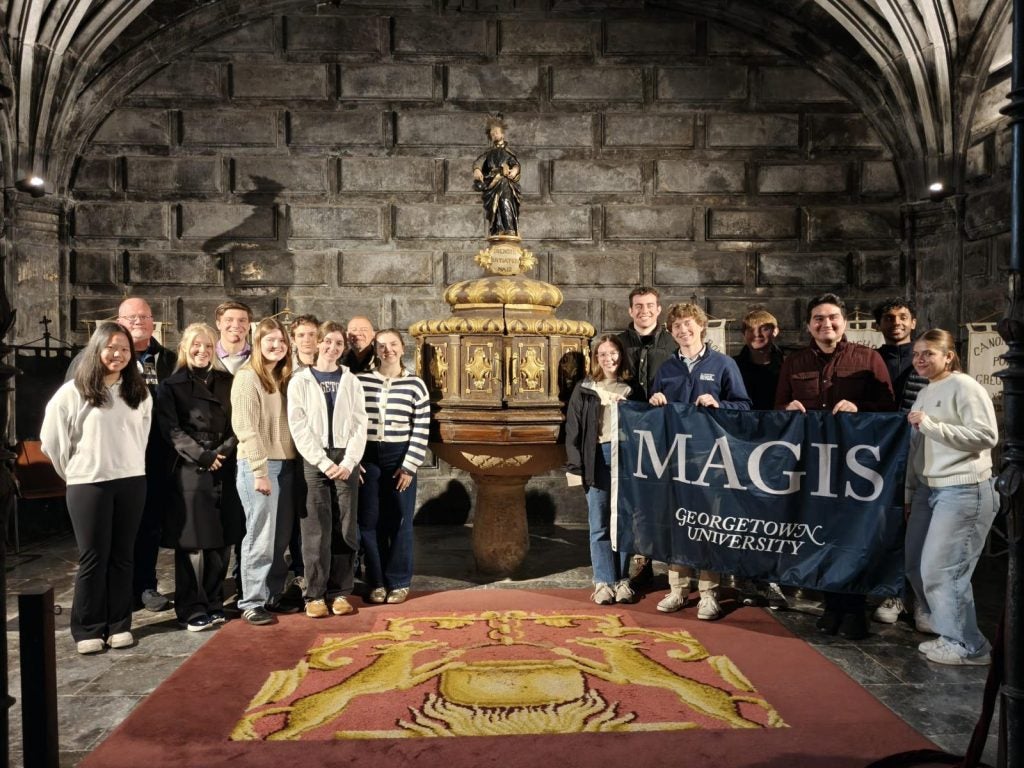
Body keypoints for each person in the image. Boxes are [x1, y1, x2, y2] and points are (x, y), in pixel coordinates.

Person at [775, 292, 895, 640]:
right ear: (809, 325)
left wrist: (859, 408)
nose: (826, 324)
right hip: (813, 462)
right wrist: (787, 410)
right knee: (821, 534)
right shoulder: (794, 362)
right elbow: (778, 406)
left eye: (832, 318)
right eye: (818, 318)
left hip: (856, 465)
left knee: (853, 535)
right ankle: (832, 606)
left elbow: (887, 408)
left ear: (843, 322)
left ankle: (855, 609)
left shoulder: (868, 358)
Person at [41, 322, 152, 653]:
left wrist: (128, 463)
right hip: (89, 484)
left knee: (122, 556)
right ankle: (88, 628)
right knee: (93, 557)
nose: (117, 354)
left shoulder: (139, 392)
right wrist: (75, 472)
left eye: (124, 349)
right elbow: (52, 441)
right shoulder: (73, 392)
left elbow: (141, 436)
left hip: (131, 480)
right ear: (97, 349)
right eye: (111, 347)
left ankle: (119, 625)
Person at [64, 298, 176, 614]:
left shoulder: (169, 359)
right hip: (103, 465)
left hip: (154, 460)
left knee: (148, 526)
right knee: (104, 537)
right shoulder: (87, 362)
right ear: (119, 321)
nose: (138, 321)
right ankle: (106, 598)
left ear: (154, 322)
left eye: (144, 316)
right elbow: (67, 420)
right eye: (131, 317)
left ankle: (144, 586)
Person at [649, 303, 752, 620]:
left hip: (713, 459)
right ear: (671, 332)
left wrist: (717, 403)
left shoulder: (723, 364)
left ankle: (709, 593)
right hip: (675, 459)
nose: (683, 330)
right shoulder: (666, 369)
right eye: (676, 326)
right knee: (677, 524)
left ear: (702, 326)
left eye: (688, 324)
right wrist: (654, 403)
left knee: (708, 526)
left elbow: (745, 407)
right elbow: (653, 415)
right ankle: (678, 589)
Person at [905, 329, 998, 665]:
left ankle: (970, 646)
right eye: (916, 354)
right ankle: (948, 631)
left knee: (943, 570)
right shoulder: (926, 391)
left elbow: (987, 436)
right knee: (916, 564)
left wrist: (931, 426)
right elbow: (919, 448)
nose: (920, 359)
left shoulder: (964, 386)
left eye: (928, 353)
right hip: (929, 489)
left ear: (948, 355)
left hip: (963, 489)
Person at [155, 323, 242, 632]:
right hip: (190, 469)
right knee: (192, 543)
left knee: (221, 540)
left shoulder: (229, 382)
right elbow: (171, 430)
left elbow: (239, 423)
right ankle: (191, 608)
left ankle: (215, 602)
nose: (202, 351)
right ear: (184, 348)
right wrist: (204, 455)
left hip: (225, 465)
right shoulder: (171, 386)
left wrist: (224, 451)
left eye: (207, 345)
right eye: (196, 345)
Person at [288, 321, 368, 619]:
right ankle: (315, 595)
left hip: (346, 458)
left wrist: (348, 462)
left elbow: (361, 424)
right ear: (317, 343)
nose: (332, 348)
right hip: (315, 459)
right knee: (315, 529)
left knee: (345, 527)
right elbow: (298, 425)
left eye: (338, 344)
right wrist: (322, 461)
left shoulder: (351, 381)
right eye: (328, 342)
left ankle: (339, 592)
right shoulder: (301, 381)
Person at [565, 335, 644, 605]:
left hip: (626, 459)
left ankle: (622, 580)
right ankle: (603, 581)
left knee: (623, 522)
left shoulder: (633, 389)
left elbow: (645, 428)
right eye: (602, 354)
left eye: (612, 353)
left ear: (620, 355)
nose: (608, 358)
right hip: (596, 457)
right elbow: (573, 431)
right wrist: (575, 467)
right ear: (595, 358)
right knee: (598, 522)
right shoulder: (584, 389)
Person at [231, 318, 297, 626]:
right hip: (260, 465)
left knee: (280, 537)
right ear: (257, 344)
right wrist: (259, 471)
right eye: (269, 340)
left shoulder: (284, 376)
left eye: (281, 341)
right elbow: (246, 428)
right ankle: (252, 601)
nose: (276, 346)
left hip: (287, 464)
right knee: (260, 535)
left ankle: (272, 595)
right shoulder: (248, 378)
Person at [356, 330, 430, 605]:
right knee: (369, 521)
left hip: (400, 455)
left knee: (400, 520)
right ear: (375, 350)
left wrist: (409, 466)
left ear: (402, 348)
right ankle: (375, 581)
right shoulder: (361, 381)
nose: (388, 350)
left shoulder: (415, 385)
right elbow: (350, 420)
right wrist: (355, 459)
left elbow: (421, 426)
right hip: (368, 456)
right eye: (382, 346)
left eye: (393, 345)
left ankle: (398, 581)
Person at [616, 286, 677, 588]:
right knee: (633, 497)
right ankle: (640, 559)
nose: (644, 311)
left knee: (661, 496)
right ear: (630, 310)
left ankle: (674, 560)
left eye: (650, 305)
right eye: (638, 306)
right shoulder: (618, 343)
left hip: (663, 430)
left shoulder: (673, 343)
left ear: (659, 309)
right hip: (627, 430)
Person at [872, 297, 928, 624]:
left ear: (913, 322)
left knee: (916, 527)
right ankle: (891, 591)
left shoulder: (924, 359)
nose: (896, 323)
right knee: (886, 526)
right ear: (880, 324)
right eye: (889, 318)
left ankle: (914, 595)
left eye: (903, 317)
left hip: (919, 455)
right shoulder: (871, 358)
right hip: (880, 456)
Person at [732, 308, 789, 611]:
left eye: (764, 329)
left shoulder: (788, 363)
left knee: (773, 517)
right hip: (742, 447)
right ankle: (743, 579)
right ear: (743, 333)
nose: (757, 335)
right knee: (743, 516)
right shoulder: (734, 364)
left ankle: (772, 579)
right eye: (751, 330)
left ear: (775, 331)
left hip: (779, 448)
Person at [472, 114, 521, 238]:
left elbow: (515, 164)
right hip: (491, 183)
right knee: (495, 207)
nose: (494, 135)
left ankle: (509, 228)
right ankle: (498, 229)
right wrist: (477, 169)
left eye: (497, 133)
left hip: (504, 181)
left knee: (505, 201)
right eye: (492, 134)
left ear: (502, 134)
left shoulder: (508, 152)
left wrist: (514, 170)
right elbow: (478, 161)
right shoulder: (489, 153)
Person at [215, 300, 253, 375]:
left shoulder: (259, 356)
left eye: (242, 320)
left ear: (249, 326)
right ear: (218, 324)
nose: (236, 325)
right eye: (229, 320)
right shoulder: (207, 356)